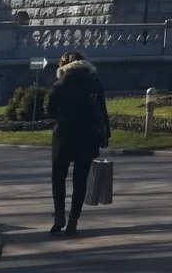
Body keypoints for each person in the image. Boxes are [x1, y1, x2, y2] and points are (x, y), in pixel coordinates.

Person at [44, 50, 110, 236]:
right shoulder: (94, 83)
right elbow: (102, 108)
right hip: (88, 136)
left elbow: (50, 111)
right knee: (80, 180)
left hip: (64, 135)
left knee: (58, 177)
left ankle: (59, 217)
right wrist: (106, 133)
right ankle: (73, 220)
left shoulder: (59, 85)